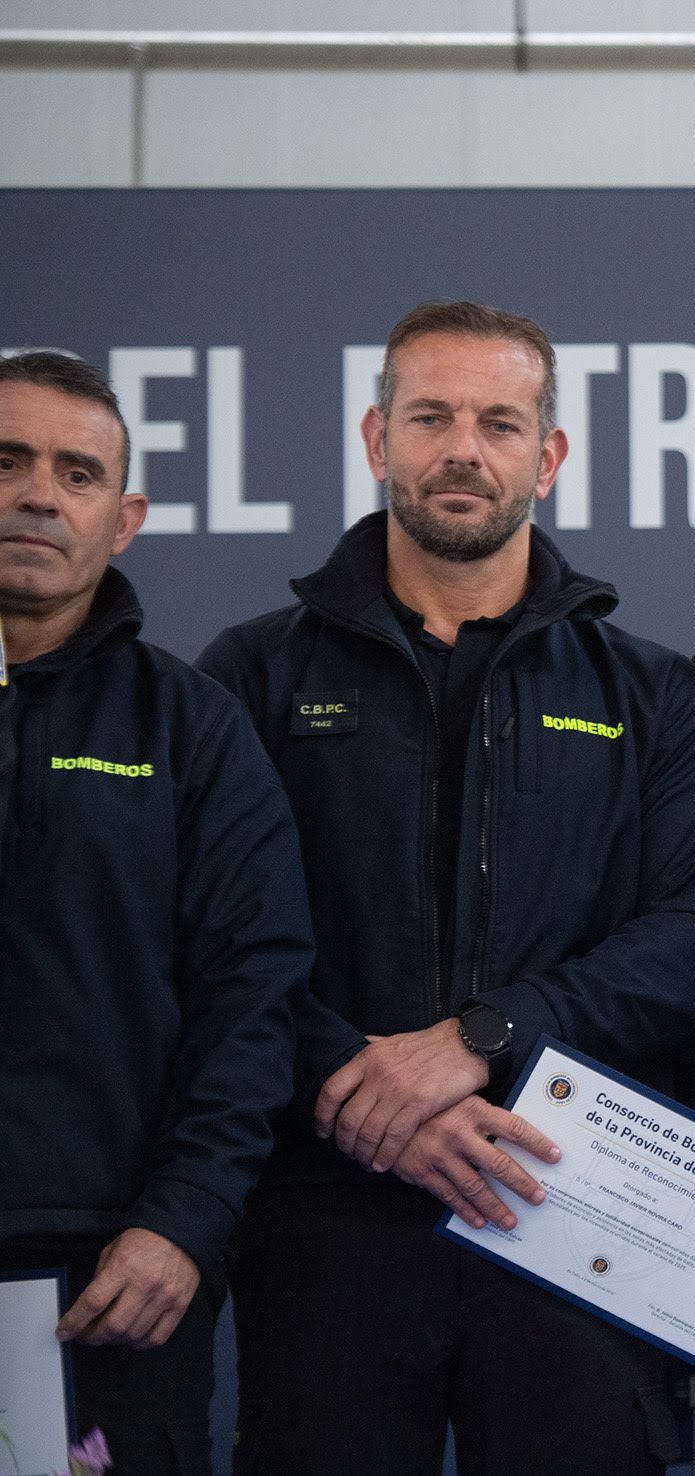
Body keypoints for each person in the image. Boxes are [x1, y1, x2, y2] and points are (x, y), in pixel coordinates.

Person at [199, 300, 695, 1475]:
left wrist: (477, 1039)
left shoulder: (650, 693)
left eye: (499, 422)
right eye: (431, 417)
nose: (464, 447)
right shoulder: (248, 677)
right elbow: (215, 942)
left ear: (546, 457)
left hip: (568, 1202)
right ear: (375, 440)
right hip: (325, 1203)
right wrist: (371, 1099)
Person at [0, 350, 311, 1470]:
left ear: (123, 519)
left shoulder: (192, 728)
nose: (40, 492)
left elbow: (252, 997)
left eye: (77, 474)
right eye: (8, 460)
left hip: (113, 1276)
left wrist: (182, 1220)